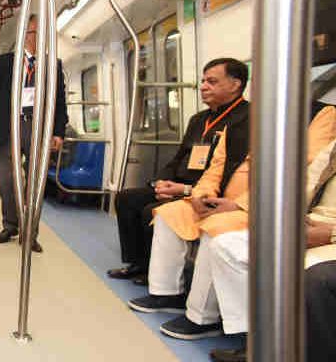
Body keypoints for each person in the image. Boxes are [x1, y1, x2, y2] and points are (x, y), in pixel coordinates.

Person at [132, 106, 336, 362]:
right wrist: (200, 194)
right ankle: (166, 293)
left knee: (218, 229)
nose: (205, 86)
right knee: (169, 215)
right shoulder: (241, 121)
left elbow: (302, 165)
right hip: (261, 207)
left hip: (261, 204)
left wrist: (245, 205)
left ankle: (204, 317)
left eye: (213, 81)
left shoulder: (319, 114)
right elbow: (217, 166)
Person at [108, 58, 250, 285]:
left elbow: (231, 173)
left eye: (212, 81)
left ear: (235, 85)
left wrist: (185, 190)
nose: (204, 86)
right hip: (178, 184)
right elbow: (179, 157)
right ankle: (138, 263)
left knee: (150, 211)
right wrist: (160, 182)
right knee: (127, 198)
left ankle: (157, 272)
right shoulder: (199, 120)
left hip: (205, 193)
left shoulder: (247, 119)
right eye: (203, 81)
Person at [0, 14, 68, 253]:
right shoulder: (6, 62)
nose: (36, 37)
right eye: (33, 33)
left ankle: (31, 232)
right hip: (10, 124)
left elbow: (59, 102)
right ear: (25, 34)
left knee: (35, 183)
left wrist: (58, 132)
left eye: (40, 33)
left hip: (38, 127)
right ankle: (10, 224)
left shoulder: (53, 65)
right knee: (8, 181)